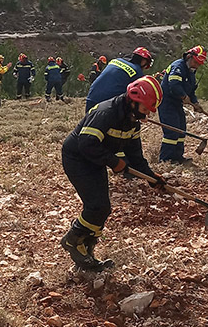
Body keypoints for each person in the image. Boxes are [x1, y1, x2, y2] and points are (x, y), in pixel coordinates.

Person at [60, 76, 167, 272]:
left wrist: (152, 178)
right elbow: (86, 143)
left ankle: (86, 255)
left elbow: (135, 156)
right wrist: (114, 162)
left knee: (103, 209)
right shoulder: (107, 112)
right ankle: (72, 240)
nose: (146, 116)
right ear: (133, 100)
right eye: (144, 110)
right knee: (96, 206)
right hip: (77, 159)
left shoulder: (132, 122)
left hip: (94, 160)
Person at [158, 45, 208, 163]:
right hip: (167, 102)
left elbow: (191, 90)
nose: (196, 65)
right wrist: (183, 96)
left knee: (181, 129)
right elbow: (174, 84)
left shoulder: (191, 72)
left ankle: (177, 157)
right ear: (189, 57)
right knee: (172, 130)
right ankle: (165, 160)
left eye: (199, 64)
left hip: (176, 103)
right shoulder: (178, 67)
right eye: (195, 62)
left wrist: (195, 103)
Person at [84, 47, 154, 110]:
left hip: (91, 98)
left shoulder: (116, 60)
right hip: (106, 106)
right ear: (143, 61)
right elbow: (138, 97)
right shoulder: (137, 72)